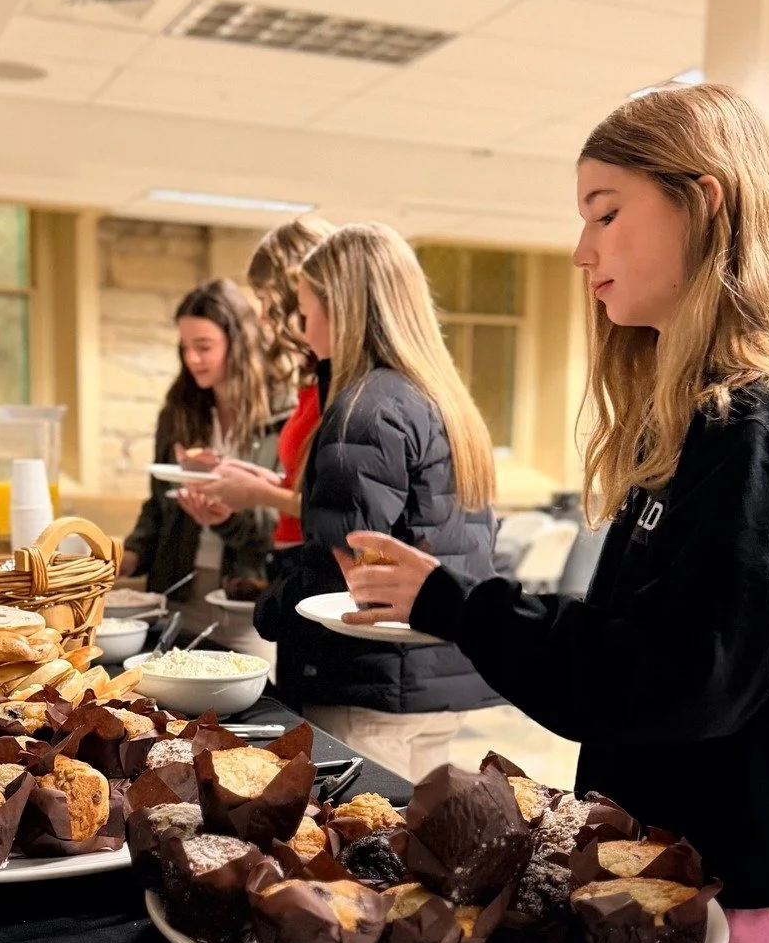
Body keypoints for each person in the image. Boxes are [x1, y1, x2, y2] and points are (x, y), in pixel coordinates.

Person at [340, 84, 769, 943]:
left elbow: (679, 674)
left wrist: (455, 603)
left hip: (735, 883)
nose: (581, 251)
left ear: (705, 202)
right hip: (673, 861)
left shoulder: (752, 419)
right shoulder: (702, 414)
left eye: (607, 213)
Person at [253, 222, 502, 781]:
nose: (303, 325)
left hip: (366, 686)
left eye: (307, 309)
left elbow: (341, 567)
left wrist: (268, 605)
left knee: (357, 856)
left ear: (341, 310)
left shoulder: (365, 408)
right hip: (436, 678)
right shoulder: (437, 397)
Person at [120, 280, 279, 618]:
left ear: (238, 343)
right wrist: (130, 554)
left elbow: (282, 521)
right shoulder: (178, 410)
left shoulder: (280, 416)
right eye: (185, 346)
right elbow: (159, 504)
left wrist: (227, 518)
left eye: (204, 346)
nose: (192, 358)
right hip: (176, 591)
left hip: (247, 599)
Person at [194, 218, 337, 553]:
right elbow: (311, 491)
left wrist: (259, 494)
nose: (262, 316)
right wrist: (256, 481)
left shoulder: (347, 387)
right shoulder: (315, 375)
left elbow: (347, 515)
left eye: (264, 298)